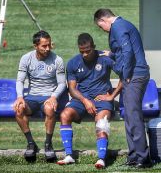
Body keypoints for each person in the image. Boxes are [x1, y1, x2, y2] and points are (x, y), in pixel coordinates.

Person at [94, 9, 151, 168]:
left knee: (133, 116)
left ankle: (143, 158)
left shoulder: (117, 27)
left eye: (101, 27)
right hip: (134, 74)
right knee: (128, 116)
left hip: (134, 75)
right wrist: (111, 54)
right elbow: (123, 50)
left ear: (103, 20)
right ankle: (134, 156)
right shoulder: (124, 24)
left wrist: (125, 74)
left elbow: (128, 52)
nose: (103, 30)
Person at [56, 33, 122, 169]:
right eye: (82, 52)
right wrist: (85, 100)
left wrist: (112, 96)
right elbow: (72, 89)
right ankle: (69, 155)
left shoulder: (105, 59)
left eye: (88, 51)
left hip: (102, 98)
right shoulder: (74, 62)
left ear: (94, 47)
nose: (85, 54)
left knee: (101, 122)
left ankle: (101, 159)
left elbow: (125, 75)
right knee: (64, 115)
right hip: (81, 98)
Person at [13, 30, 67, 162]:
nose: (47, 48)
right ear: (35, 46)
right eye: (44, 46)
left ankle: (48, 144)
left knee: (49, 109)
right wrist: (20, 97)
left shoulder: (57, 60)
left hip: (48, 97)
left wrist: (54, 97)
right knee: (19, 109)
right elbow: (20, 80)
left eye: (49, 45)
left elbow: (62, 83)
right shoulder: (26, 58)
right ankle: (31, 143)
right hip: (32, 97)